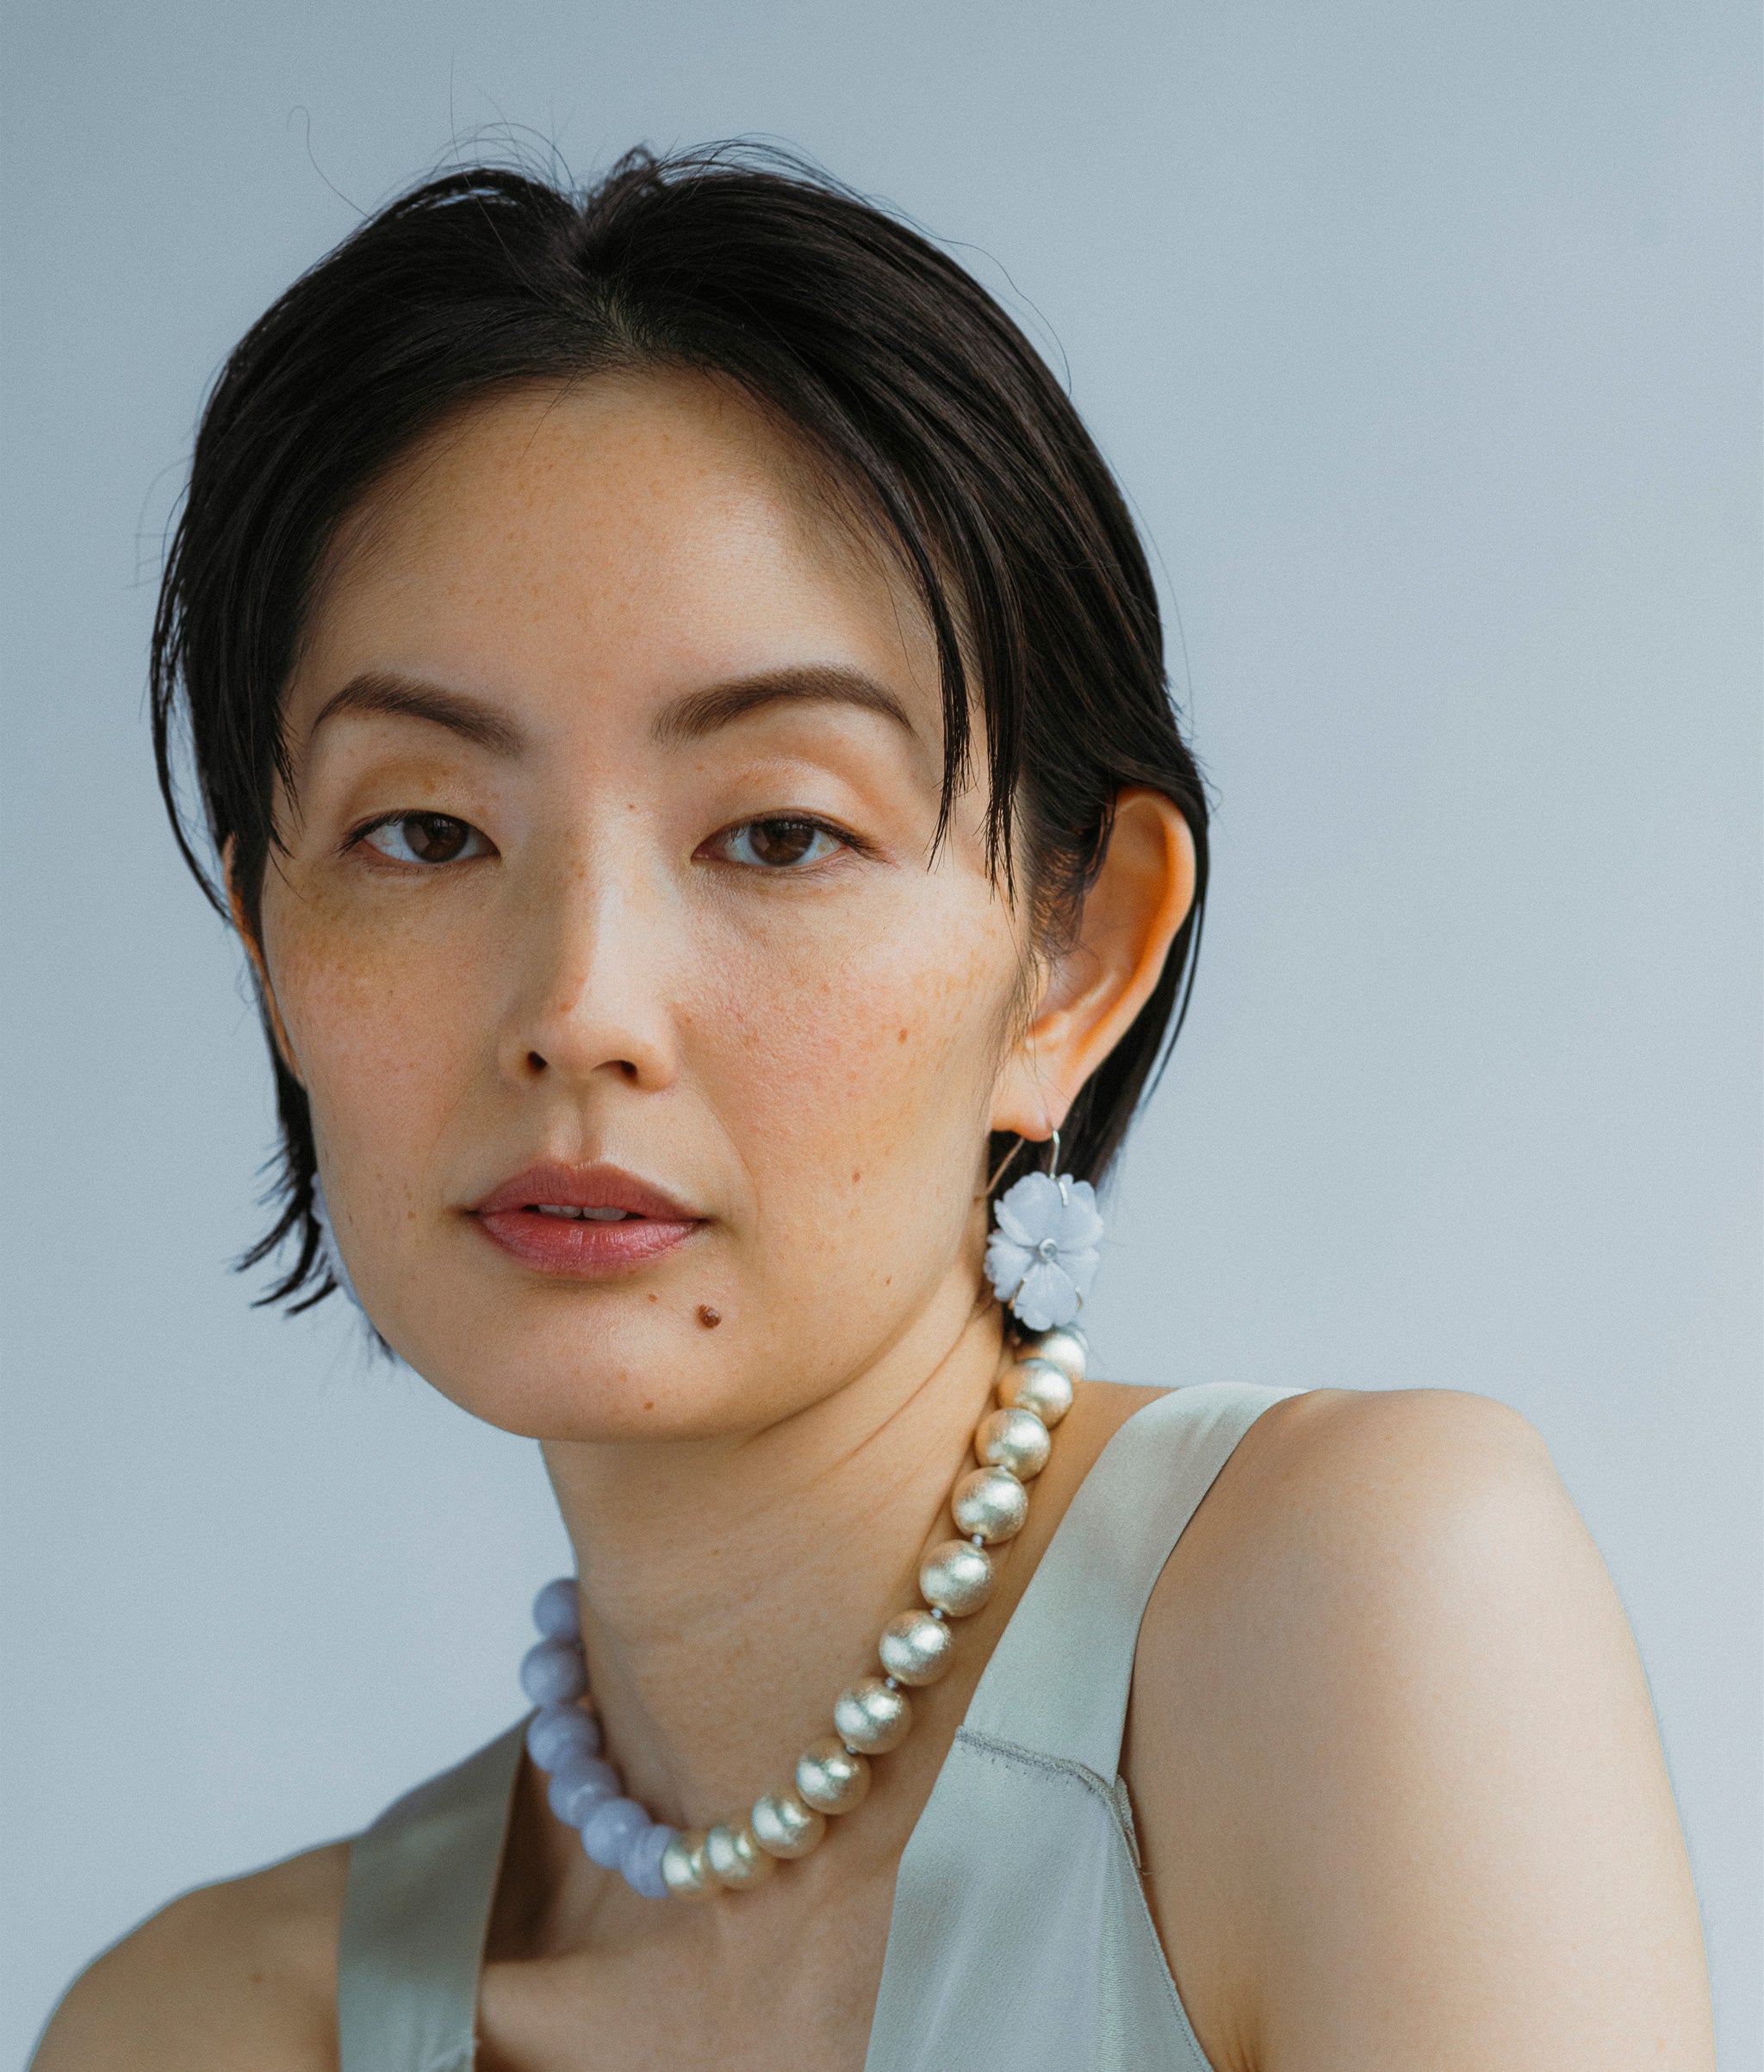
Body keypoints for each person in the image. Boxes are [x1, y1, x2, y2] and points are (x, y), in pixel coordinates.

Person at [34, 149, 1713, 2071]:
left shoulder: (1356, 1614)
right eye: (423, 832)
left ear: (1075, 954)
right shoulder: (211, 2029)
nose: (580, 1007)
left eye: (776, 833)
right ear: (267, 934)